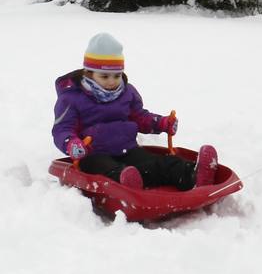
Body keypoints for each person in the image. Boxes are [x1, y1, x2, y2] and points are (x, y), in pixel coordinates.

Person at [53, 32, 218, 189]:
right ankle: (125, 185)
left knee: (158, 163)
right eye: (104, 76)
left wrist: (161, 123)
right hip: (94, 155)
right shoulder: (72, 98)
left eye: (117, 75)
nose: (112, 82)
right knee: (109, 170)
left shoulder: (127, 92)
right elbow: (62, 129)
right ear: (88, 73)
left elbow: (139, 117)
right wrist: (72, 144)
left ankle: (193, 175)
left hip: (128, 150)